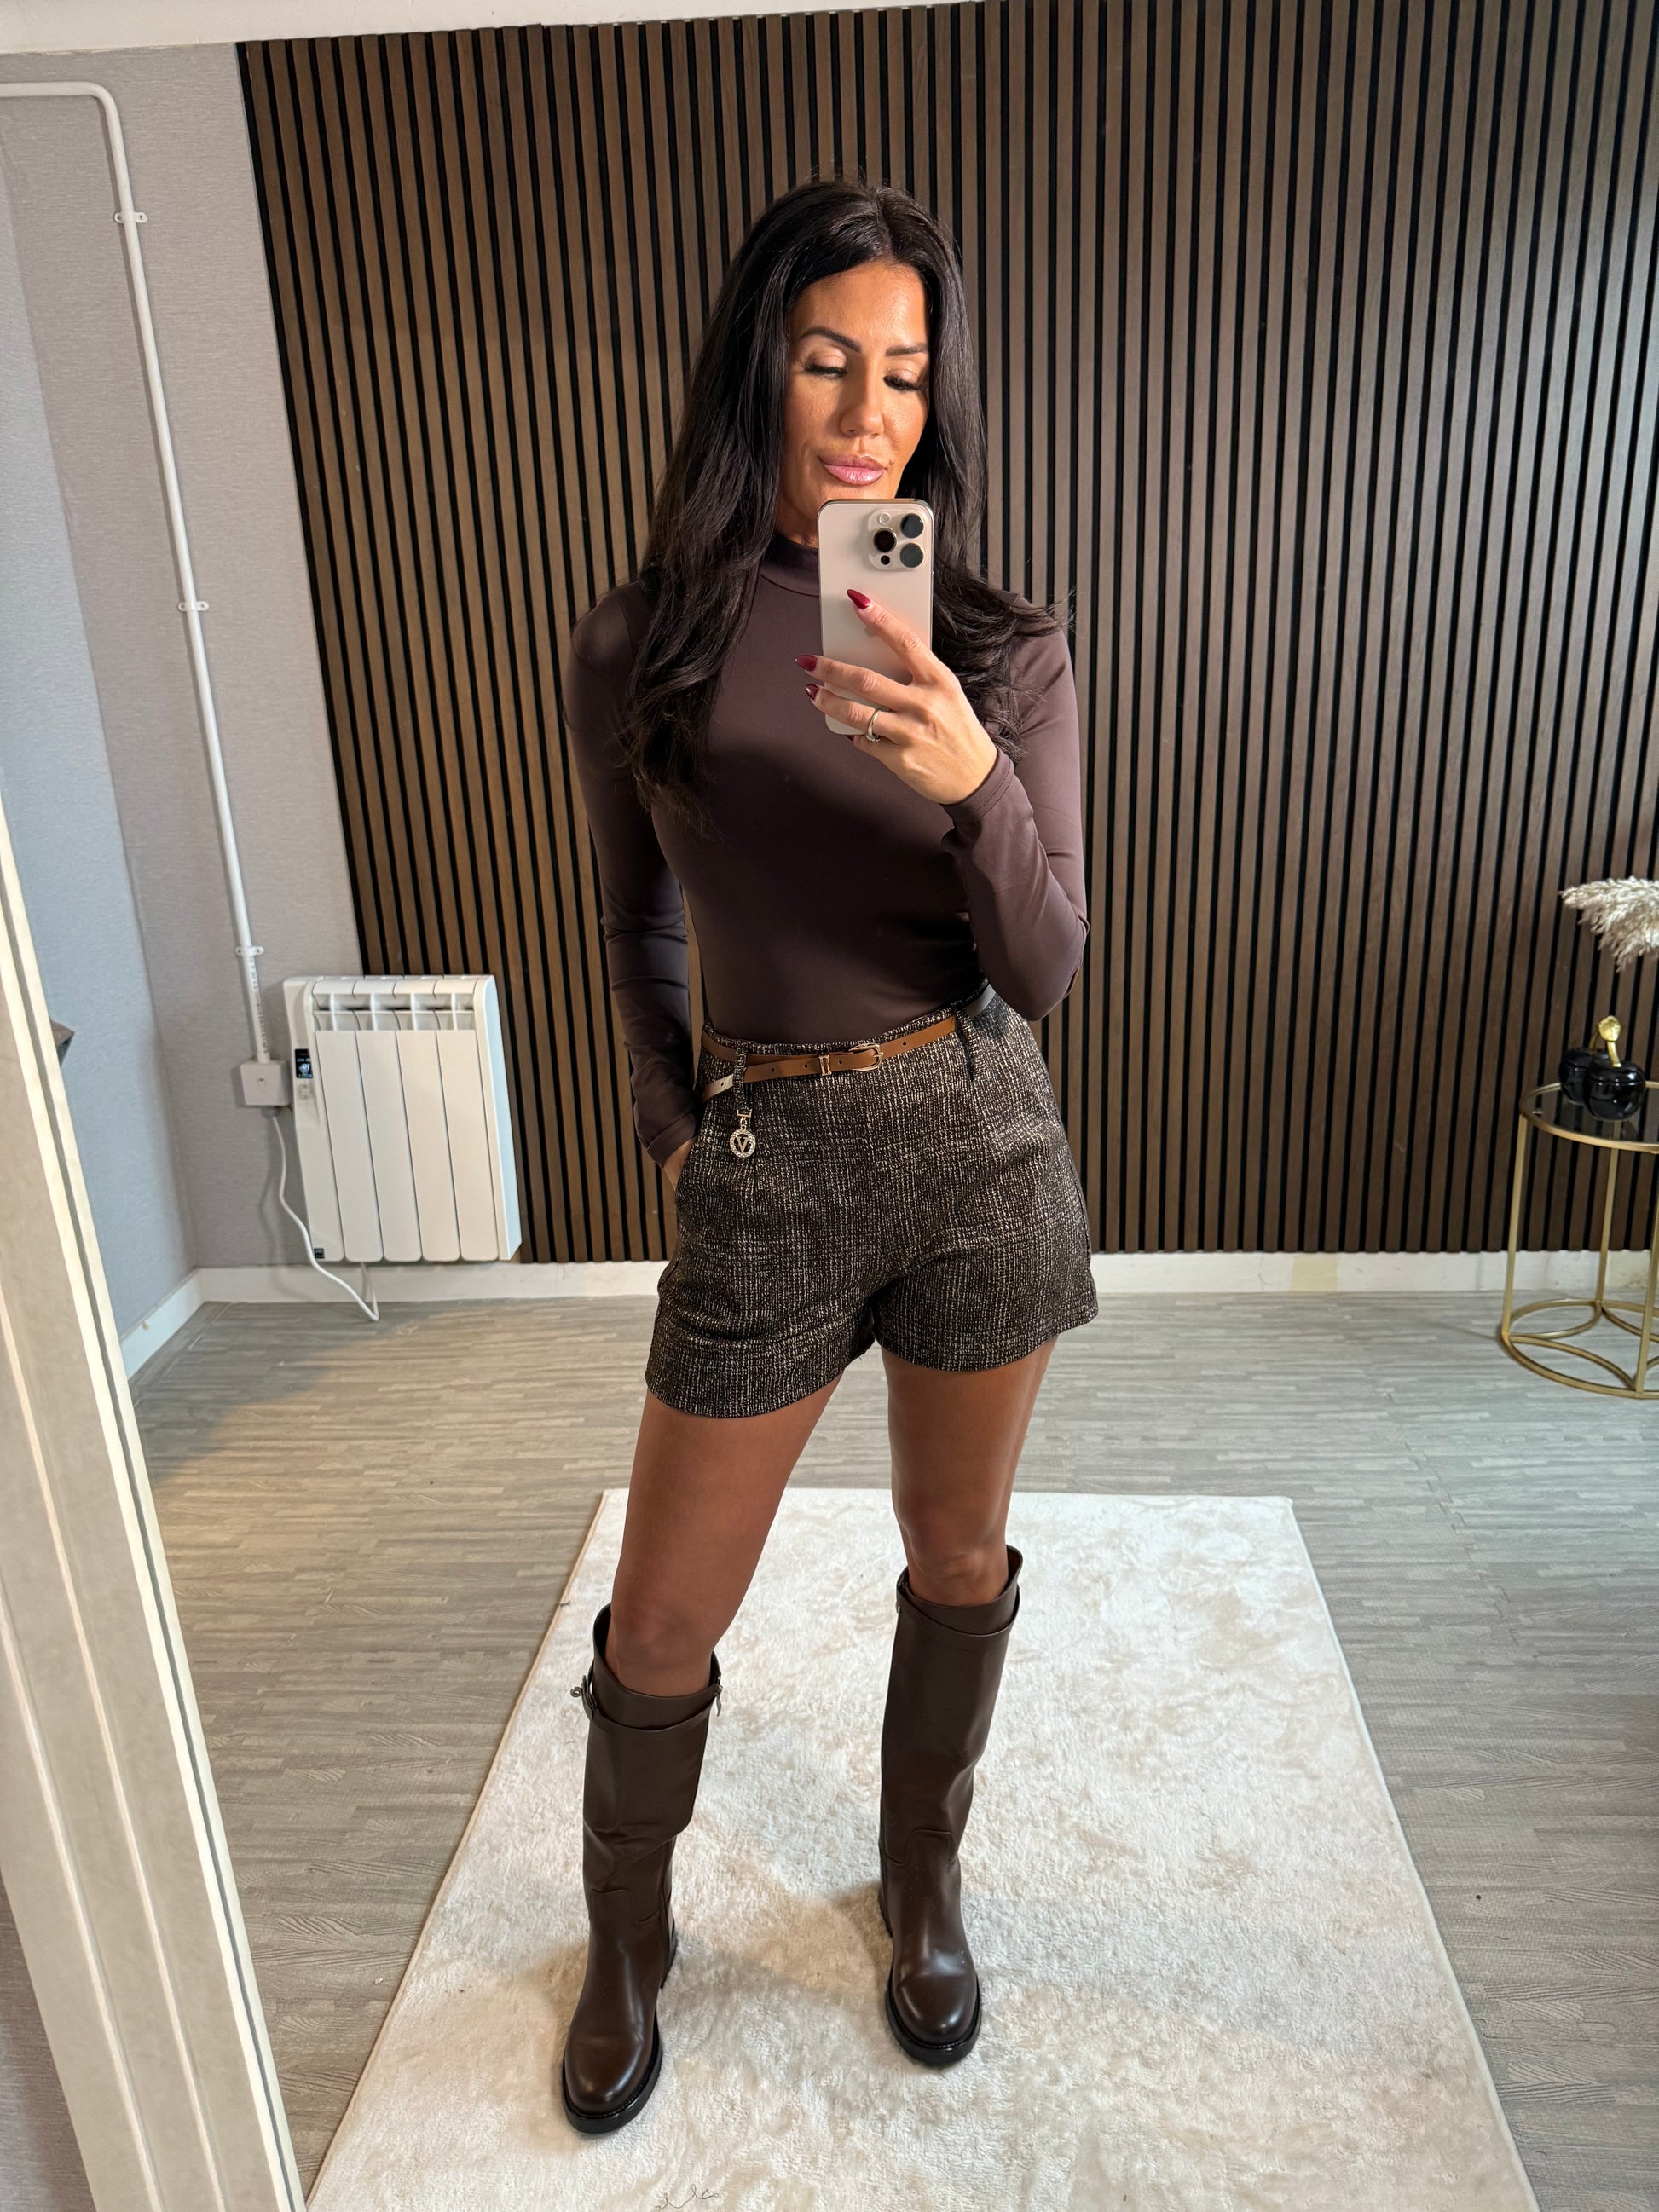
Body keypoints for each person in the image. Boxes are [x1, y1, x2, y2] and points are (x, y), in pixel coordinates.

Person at [558, 175, 1097, 2135]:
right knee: (659, 1620)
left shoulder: (1002, 647)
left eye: (905, 371)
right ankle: (629, 1938)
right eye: (825, 361)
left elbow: (1043, 962)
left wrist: (970, 782)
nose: (870, 413)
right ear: (757, 372)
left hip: (972, 1136)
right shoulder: (646, 638)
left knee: (955, 1555)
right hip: (767, 1153)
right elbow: (634, 918)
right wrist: (674, 1130)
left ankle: (919, 1880)